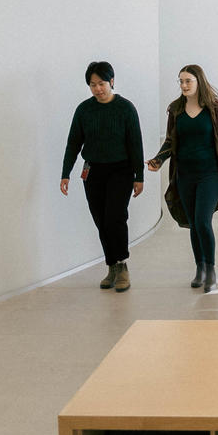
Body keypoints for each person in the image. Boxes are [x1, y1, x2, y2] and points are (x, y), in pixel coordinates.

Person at [147, 64, 218, 293]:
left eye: (188, 81)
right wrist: (158, 161)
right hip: (185, 176)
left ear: (199, 81)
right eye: (180, 81)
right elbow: (170, 141)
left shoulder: (214, 108)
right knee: (193, 223)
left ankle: (210, 269)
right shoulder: (176, 110)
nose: (183, 85)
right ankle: (199, 268)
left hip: (209, 175)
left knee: (202, 221)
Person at [61, 61, 145, 293]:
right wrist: (65, 173)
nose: (98, 88)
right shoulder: (84, 110)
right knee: (100, 219)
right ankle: (111, 266)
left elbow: (135, 144)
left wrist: (140, 176)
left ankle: (122, 265)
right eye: (92, 84)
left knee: (115, 217)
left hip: (121, 170)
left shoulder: (125, 108)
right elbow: (73, 143)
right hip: (93, 171)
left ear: (112, 82)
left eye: (101, 83)